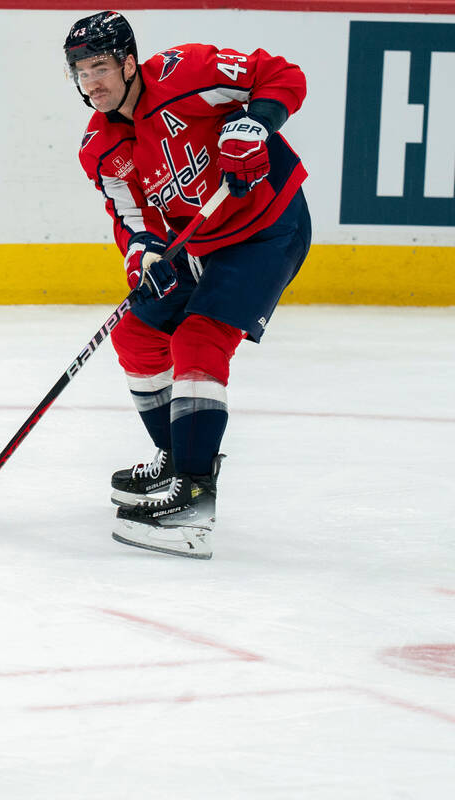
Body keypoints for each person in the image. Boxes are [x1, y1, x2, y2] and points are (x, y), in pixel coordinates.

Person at [64, 11, 312, 559]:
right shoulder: (100, 147)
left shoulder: (189, 72)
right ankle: (180, 461)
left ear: (129, 62)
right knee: (136, 336)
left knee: (198, 341)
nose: (92, 83)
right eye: (80, 72)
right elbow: (132, 217)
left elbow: (281, 75)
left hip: (267, 230)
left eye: (101, 67)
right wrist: (143, 252)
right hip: (199, 243)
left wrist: (255, 124)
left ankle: (195, 499)